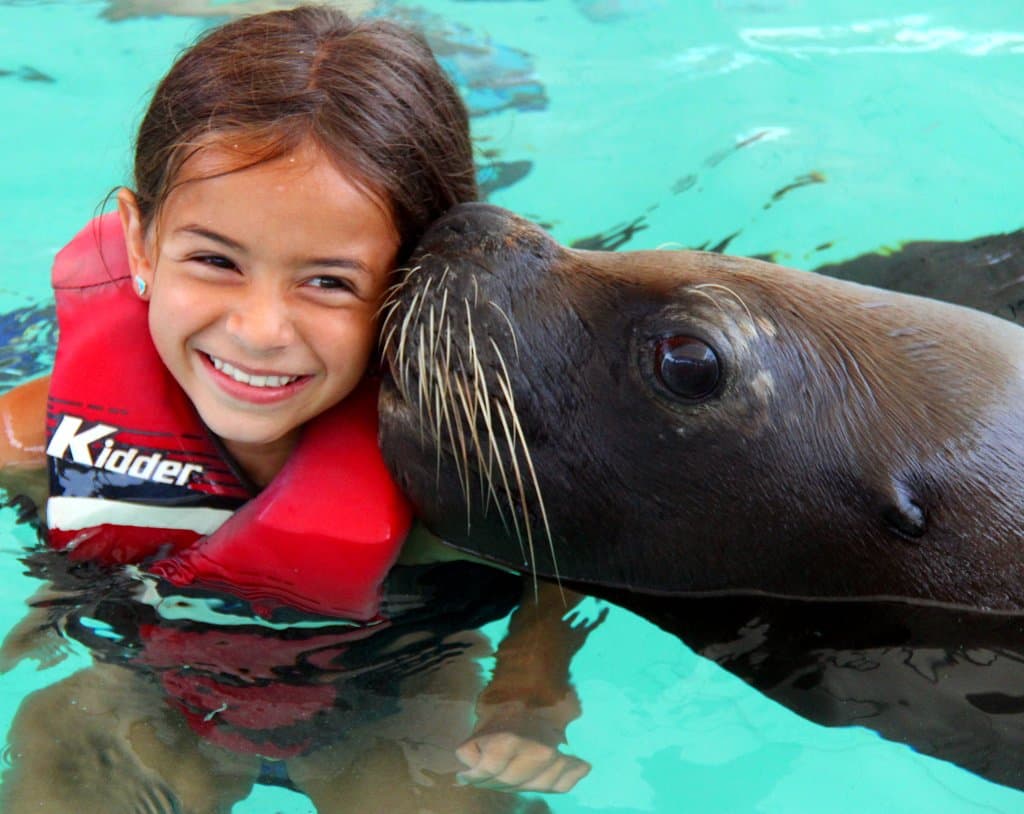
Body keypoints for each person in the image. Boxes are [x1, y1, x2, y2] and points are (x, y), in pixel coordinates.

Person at [0, 6, 596, 812]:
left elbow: (567, 563)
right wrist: (54, 599)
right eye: (214, 260)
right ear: (139, 244)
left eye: (329, 281)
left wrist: (532, 688)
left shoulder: (466, 477)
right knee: (61, 767)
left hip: (397, 700)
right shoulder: (37, 438)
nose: (259, 332)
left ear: (415, 284)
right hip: (148, 689)